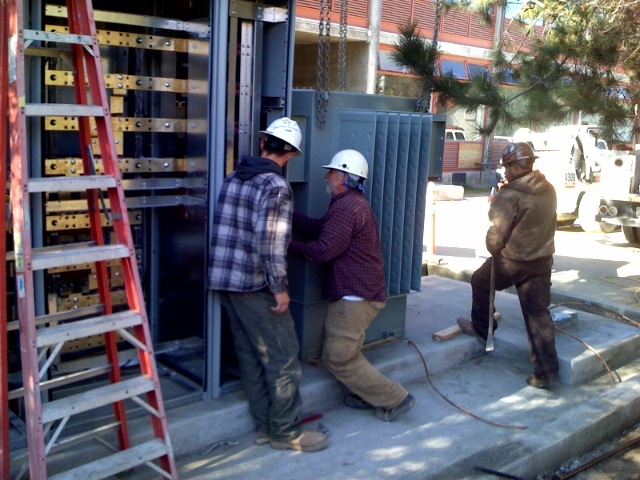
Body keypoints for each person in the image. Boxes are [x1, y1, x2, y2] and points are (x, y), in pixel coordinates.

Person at [208, 117, 328, 452]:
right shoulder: (275, 187)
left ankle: (265, 427)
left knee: (250, 355)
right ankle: (287, 433)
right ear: (290, 154)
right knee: (284, 357)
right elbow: (271, 242)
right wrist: (279, 287)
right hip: (255, 286)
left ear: (263, 143)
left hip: (227, 284)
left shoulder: (232, 178)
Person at [288, 149, 415, 421]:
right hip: (361, 295)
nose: (327, 175)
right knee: (347, 352)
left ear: (345, 178)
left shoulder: (347, 208)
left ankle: (395, 398)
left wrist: (285, 245)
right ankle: (368, 393)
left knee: (339, 358)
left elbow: (323, 250)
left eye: (332, 172)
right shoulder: (348, 204)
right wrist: (290, 214)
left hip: (355, 299)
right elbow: (319, 228)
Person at [457, 142, 560, 389]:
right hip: (542, 261)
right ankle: (546, 373)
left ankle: (483, 328)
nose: (505, 172)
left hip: (513, 261)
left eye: (507, 167)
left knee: (480, 282)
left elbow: (497, 234)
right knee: (538, 314)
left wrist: (492, 246)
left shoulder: (509, 194)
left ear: (516, 166)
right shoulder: (548, 189)